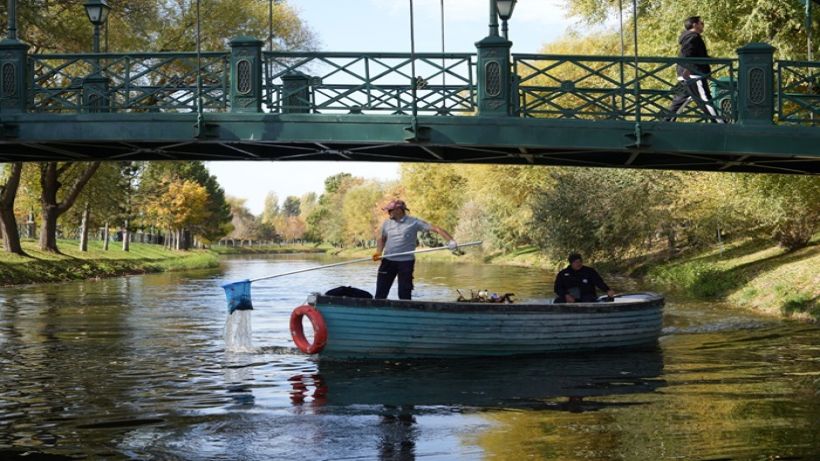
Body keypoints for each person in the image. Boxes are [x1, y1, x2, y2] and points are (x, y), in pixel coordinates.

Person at [373, 199, 457, 300]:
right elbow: (381, 239)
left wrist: (451, 241)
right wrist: (378, 252)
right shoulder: (387, 223)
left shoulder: (414, 222)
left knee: (404, 294)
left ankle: (406, 312)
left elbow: (437, 229)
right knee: (380, 294)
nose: (388, 212)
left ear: (399, 210)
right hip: (388, 261)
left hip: (406, 263)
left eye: (390, 210)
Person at [665, 16, 724, 123]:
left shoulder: (688, 37)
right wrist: (688, 70)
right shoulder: (693, 37)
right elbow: (688, 53)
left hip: (685, 73)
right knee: (705, 99)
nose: (703, 25)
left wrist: (713, 60)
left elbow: (695, 55)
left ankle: (665, 123)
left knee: (679, 100)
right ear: (695, 24)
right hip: (693, 73)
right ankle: (721, 124)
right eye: (702, 23)